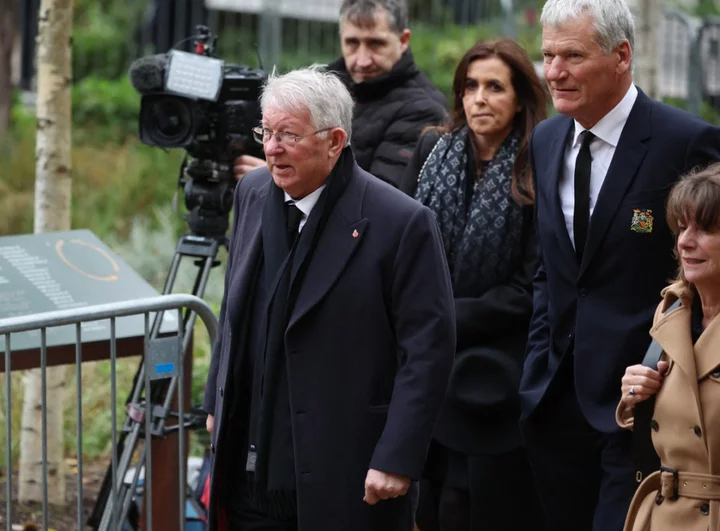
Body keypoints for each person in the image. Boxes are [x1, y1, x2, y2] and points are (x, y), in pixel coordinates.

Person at [202, 65, 455, 531]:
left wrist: (397, 456)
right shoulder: (252, 192)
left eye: (288, 136)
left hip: (347, 479)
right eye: (267, 131)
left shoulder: (401, 223)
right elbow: (235, 307)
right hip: (247, 477)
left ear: (335, 140)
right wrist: (216, 401)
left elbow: (428, 351)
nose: (271, 149)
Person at [519, 0, 720, 529]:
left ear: (622, 55)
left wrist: (667, 369)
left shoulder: (685, 140)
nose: (554, 72)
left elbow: (706, 275)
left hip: (642, 404)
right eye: (548, 55)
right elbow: (553, 268)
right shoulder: (545, 139)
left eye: (572, 56)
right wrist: (538, 361)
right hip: (554, 398)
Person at [399, 39, 546, 531]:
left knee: (464, 509)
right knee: (423, 504)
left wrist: (445, 316)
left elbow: (530, 286)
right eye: (470, 86)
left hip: (493, 374)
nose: (479, 98)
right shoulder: (432, 150)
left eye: (494, 87)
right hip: (427, 363)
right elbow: (402, 249)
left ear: (521, 99)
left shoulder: (540, 166)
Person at [233, 0, 447, 187]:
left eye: (376, 44)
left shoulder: (424, 109)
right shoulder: (320, 87)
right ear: (341, 37)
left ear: (403, 40)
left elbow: (384, 200)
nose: (362, 60)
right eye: (352, 43)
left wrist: (277, 179)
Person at [616, 163, 720, 531]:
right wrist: (635, 395)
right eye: (681, 227)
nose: (685, 241)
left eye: (705, 230)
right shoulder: (674, 309)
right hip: (660, 514)